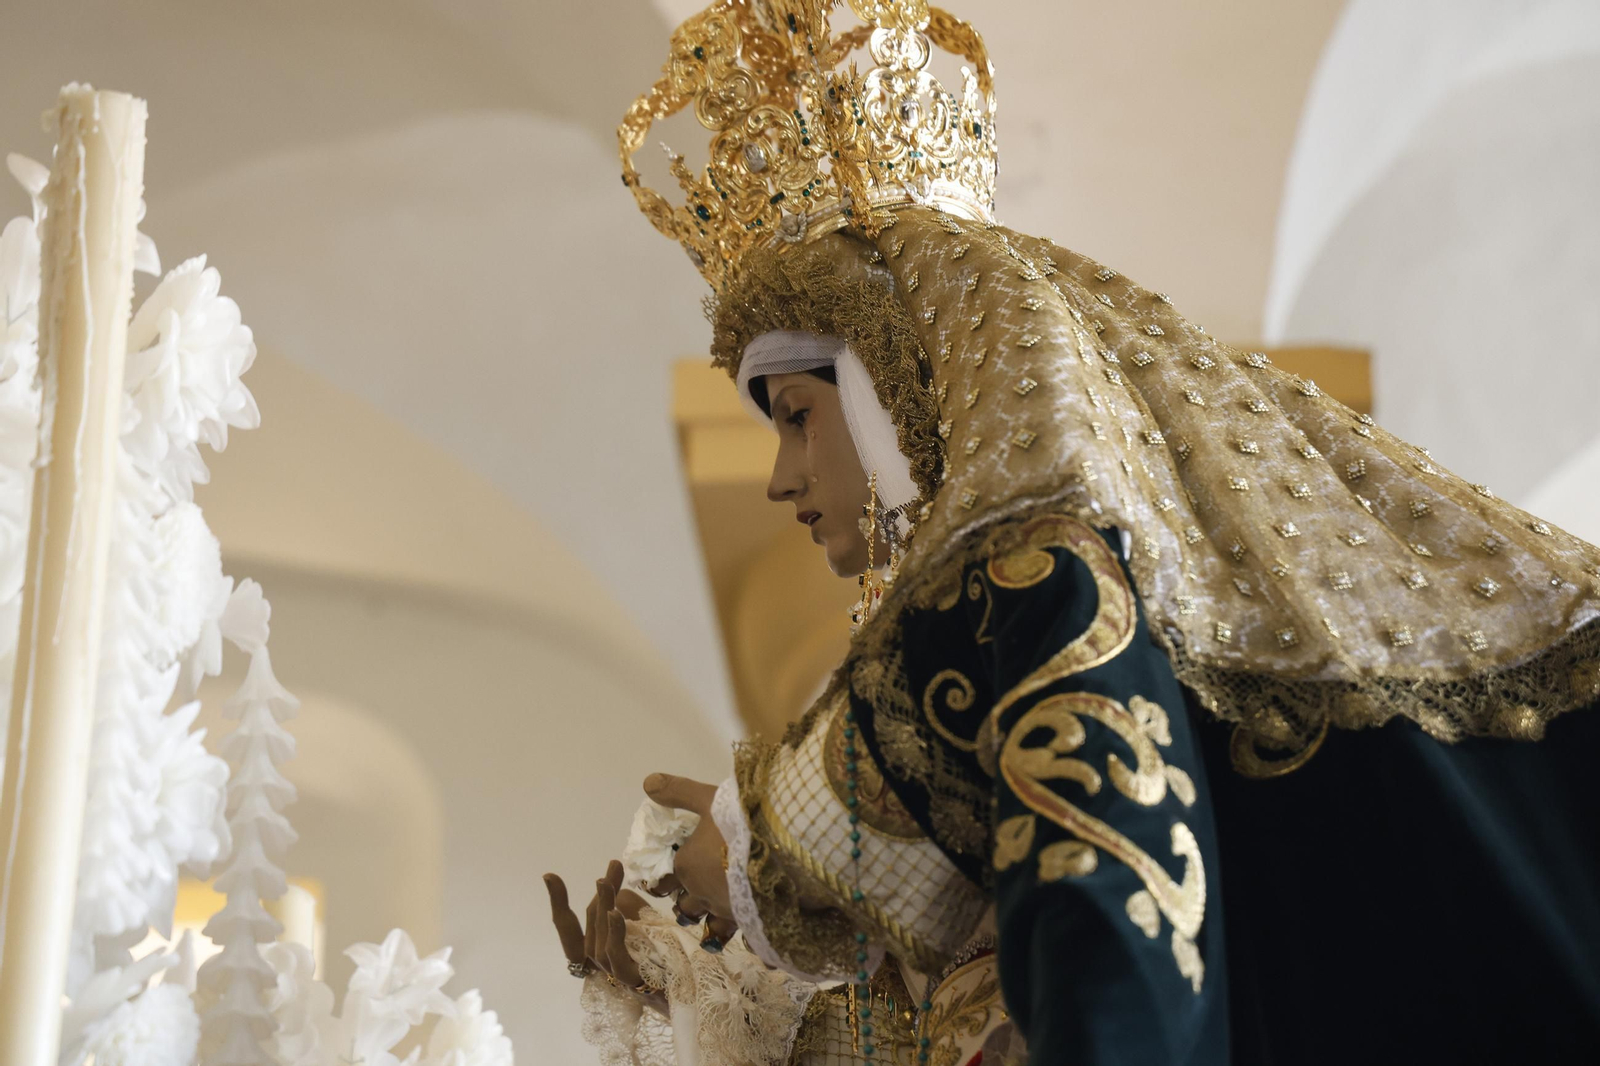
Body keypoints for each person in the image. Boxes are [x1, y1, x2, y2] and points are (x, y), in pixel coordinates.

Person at [549, 1, 1600, 1062]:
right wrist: (699, 987)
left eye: (794, 418)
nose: (780, 478)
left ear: (885, 390)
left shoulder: (1048, 582)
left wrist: (754, 851)